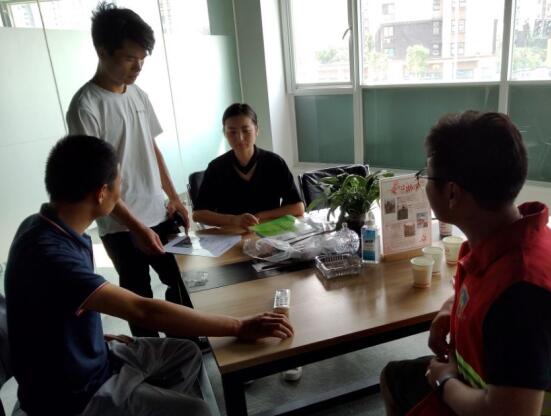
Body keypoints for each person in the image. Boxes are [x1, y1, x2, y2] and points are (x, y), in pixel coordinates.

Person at [4, 135, 294, 416]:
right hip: (73, 395)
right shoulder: (53, 257)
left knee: (186, 353)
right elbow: (143, 310)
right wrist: (239, 326)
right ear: (101, 193)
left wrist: (92, 335)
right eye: (120, 183)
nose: (122, 192)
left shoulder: (41, 225)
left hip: (90, 354)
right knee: (197, 410)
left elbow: (52, 311)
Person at [380, 111, 551, 416]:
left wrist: (445, 382)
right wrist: (450, 309)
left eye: (427, 176)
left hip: (482, 398)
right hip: (477, 376)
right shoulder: (507, 237)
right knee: (393, 376)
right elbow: (483, 290)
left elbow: (512, 413)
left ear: (452, 192)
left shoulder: (520, 293)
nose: (423, 184)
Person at [66, 3, 192, 337]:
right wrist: (137, 227)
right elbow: (98, 181)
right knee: (139, 297)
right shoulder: (85, 106)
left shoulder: (138, 94)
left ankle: (186, 346)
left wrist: (174, 196)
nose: (138, 67)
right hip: (120, 225)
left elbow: (151, 148)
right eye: (129, 58)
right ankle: (150, 357)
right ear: (102, 51)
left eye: (142, 59)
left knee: (182, 283)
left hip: (158, 212)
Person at [192, 103, 305, 228]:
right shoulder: (216, 168)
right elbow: (198, 214)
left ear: (256, 130)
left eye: (246, 131)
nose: (240, 138)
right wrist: (234, 220)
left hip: (268, 233)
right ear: (224, 133)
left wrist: (261, 215)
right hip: (231, 234)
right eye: (232, 132)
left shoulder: (274, 163)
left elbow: (298, 207)